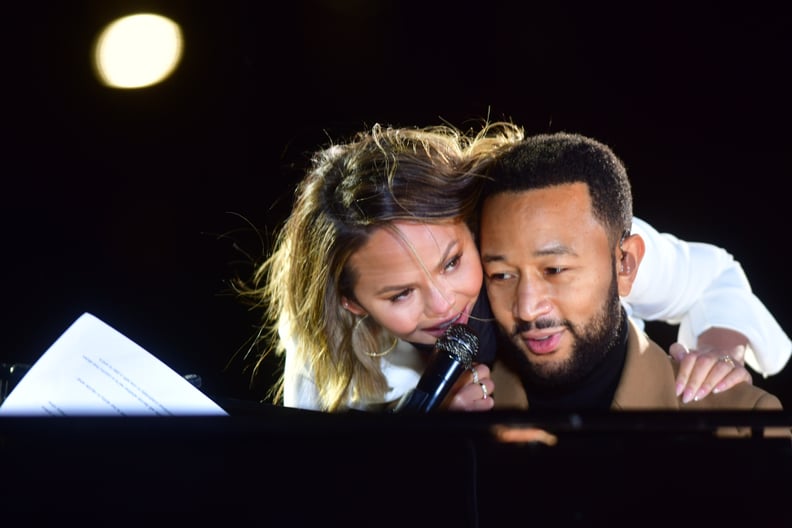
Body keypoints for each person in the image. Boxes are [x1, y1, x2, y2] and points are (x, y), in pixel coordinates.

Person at [235, 122, 790, 412]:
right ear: (352, 303)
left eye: (455, 261)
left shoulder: (544, 234)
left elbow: (713, 276)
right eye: (400, 295)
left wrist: (720, 349)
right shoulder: (327, 349)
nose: (444, 303)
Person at [478, 131, 786, 432]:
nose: (527, 308)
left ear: (626, 263)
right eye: (502, 275)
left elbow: (715, 276)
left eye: (556, 270)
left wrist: (719, 356)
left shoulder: (745, 423)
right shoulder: (468, 277)